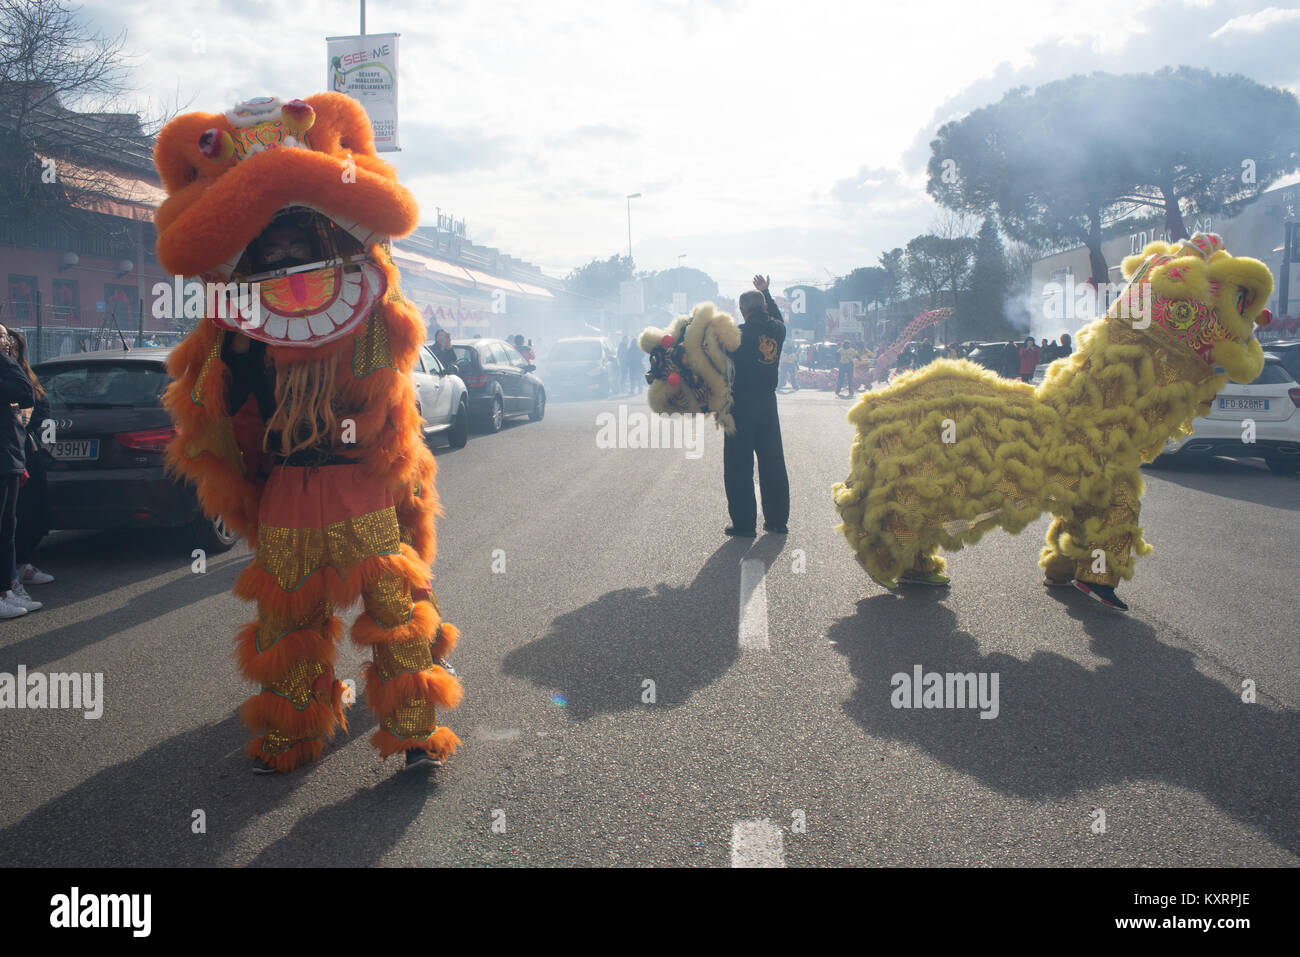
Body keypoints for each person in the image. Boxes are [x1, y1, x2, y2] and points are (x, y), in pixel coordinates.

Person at [723, 274, 790, 537]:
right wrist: (767, 292)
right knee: (773, 462)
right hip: (768, 404)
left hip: (740, 405)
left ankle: (744, 524)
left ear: (742, 310)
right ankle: (776, 521)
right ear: (762, 307)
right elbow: (777, 317)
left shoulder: (737, 336)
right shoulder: (778, 330)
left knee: (739, 466)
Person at [0, 325, 39, 618]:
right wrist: (6, 359)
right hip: (3, 458)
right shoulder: (6, 367)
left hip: (9, 457)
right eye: (3, 340)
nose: (6, 344)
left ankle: (6, 590)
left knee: (7, 528)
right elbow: (25, 392)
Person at [11, 331, 54, 589]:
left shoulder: (26, 377)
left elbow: (43, 407)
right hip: (11, 453)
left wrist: (29, 425)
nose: (11, 352)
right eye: (8, 347)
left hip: (28, 452)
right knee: (12, 515)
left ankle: (22, 563)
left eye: (16, 349)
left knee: (34, 510)